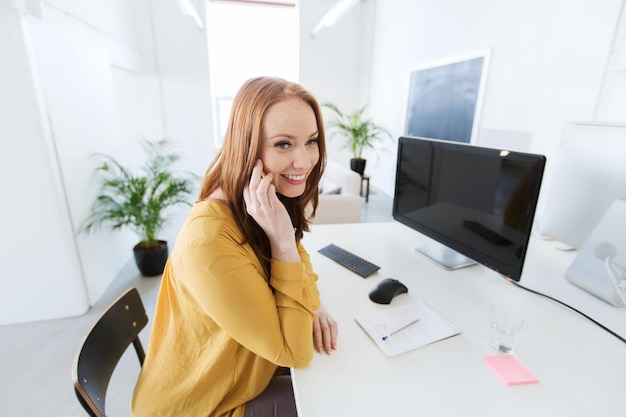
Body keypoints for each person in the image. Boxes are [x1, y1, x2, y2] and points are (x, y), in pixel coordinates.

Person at [130, 76, 338, 417]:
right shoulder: (208, 241)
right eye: (284, 144)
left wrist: (311, 302)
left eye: (311, 141)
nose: (304, 161)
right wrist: (282, 244)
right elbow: (294, 352)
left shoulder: (262, 200)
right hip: (206, 406)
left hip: (240, 376)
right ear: (248, 148)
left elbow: (301, 259)